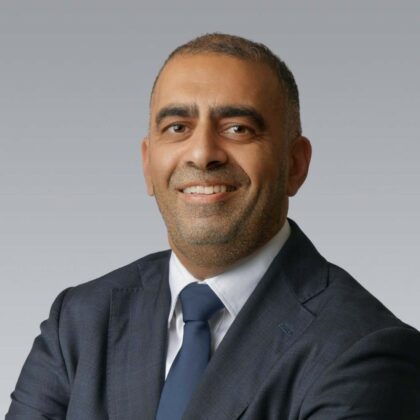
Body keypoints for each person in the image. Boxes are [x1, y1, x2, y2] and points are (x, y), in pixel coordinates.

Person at [6, 33, 420, 420]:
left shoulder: (365, 349)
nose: (202, 153)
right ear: (148, 165)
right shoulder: (78, 321)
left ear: (295, 165)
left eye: (238, 128)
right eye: (177, 128)